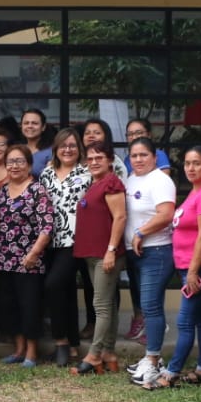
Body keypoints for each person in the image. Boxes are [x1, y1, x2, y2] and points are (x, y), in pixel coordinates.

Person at [147, 145, 201, 389]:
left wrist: (192, 271)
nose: (190, 168)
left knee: (185, 321)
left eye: (197, 163)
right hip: (189, 267)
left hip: (198, 269)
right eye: (188, 163)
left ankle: (172, 372)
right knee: (200, 319)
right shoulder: (196, 191)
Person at [0, 143, 53, 367]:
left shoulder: (37, 190)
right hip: (4, 259)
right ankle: (18, 349)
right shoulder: (2, 191)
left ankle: (31, 353)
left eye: (20, 161)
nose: (15, 166)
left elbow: (47, 226)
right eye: (10, 161)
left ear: (29, 165)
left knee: (30, 307)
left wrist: (34, 254)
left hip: (29, 261)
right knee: (10, 306)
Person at [72, 142, 127, 374]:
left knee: (101, 306)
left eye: (99, 158)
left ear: (110, 160)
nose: (94, 162)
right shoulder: (95, 183)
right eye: (91, 158)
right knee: (109, 306)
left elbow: (120, 217)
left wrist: (111, 250)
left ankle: (94, 355)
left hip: (105, 254)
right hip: (92, 253)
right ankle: (109, 353)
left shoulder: (112, 183)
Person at [125, 137, 176, 386]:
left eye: (143, 155)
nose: (138, 159)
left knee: (151, 306)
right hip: (136, 253)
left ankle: (154, 360)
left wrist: (141, 232)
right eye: (134, 155)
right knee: (147, 307)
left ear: (155, 157)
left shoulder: (160, 180)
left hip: (156, 251)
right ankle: (151, 357)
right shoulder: (131, 179)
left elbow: (166, 214)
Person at [39, 127, 91, 366]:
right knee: (66, 292)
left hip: (76, 240)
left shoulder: (87, 173)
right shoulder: (46, 175)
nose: (68, 150)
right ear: (56, 149)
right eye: (63, 146)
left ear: (78, 148)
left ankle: (60, 342)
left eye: (72, 145)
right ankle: (72, 346)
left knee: (53, 285)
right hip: (49, 241)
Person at [20, 109, 54, 176]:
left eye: (34, 123)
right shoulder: (17, 150)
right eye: (26, 123)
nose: (30, 126)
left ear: (43, 127)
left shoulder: (51, 152)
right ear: (21, 126)